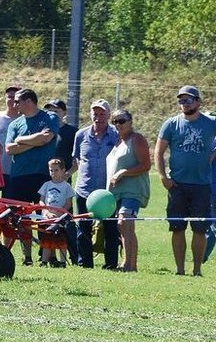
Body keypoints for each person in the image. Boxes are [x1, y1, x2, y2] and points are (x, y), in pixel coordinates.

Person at [154, 85, 216, 276]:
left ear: (198, 102)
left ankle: (197, 270)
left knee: (200, 230)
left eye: (188, 100)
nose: (184, 103)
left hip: (202, 185)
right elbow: (158, 151)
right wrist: (163, 177)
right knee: (177, 228)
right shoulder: (171, 124)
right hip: (177, 185)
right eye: (181, 100)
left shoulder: (210, 123)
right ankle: (180, 270)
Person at [5, 88, 59, 265]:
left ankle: (48, 257)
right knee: (23, 219)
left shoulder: (49, 117)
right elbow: (9, 149)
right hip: (19, 176)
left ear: (28, 101)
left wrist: (21, 140)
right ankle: (27, 257)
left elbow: (46, 139)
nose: (14, 104)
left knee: (45, 216)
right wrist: (34, 142)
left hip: (42, 175)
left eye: (17, 101)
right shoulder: (15, 124)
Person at [71, 99, 120, 269]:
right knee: (83, 228)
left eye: (102, 113)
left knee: (110, 228)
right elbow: (77, 159)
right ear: (90, 114)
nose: (98, 117)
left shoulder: (116, 135)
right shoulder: (81, 135)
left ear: (108, 115)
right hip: (84, 189)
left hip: (108, 192)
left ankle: (111, 263)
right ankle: (85, 263)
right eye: (95, 113)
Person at [107, 110, 151, 273]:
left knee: (124, 222)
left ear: (130, 121)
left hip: (133, 191)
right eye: (115, 121)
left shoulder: (137, 139)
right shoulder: (118, 142)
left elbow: (146, 165)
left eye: (122, 120)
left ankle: (129, 264)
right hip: (117, 192)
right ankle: (129, 264)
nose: (118, 124)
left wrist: (123, 172)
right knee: (123, 226)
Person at [36, 158, 77, 267]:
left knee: (62, 241)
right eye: (51, 170)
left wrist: (60, 214)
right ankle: (44, 262)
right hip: (47, 218)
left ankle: (62, 262)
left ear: (63, 170)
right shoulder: (46, 185)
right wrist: (46, 212)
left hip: (60, 219)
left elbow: (68, 203)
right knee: (46, 241)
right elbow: (41, 201)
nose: (53, 173)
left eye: (56, 170)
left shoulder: (66, 186)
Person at [0, 83, 22, 192]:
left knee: (9, 202)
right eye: (9, 97)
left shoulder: (25, 120)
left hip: (14, 172)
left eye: (15, 97)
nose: (12, 100)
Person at [45, 98, 78, 174]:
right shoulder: (41, 131)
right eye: (50, 111)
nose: (52, 114)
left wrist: (68, 174)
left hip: (62, 177)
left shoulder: (73, 132)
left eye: (56, 111)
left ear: (64, 113)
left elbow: (79, 158)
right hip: (42, 176)